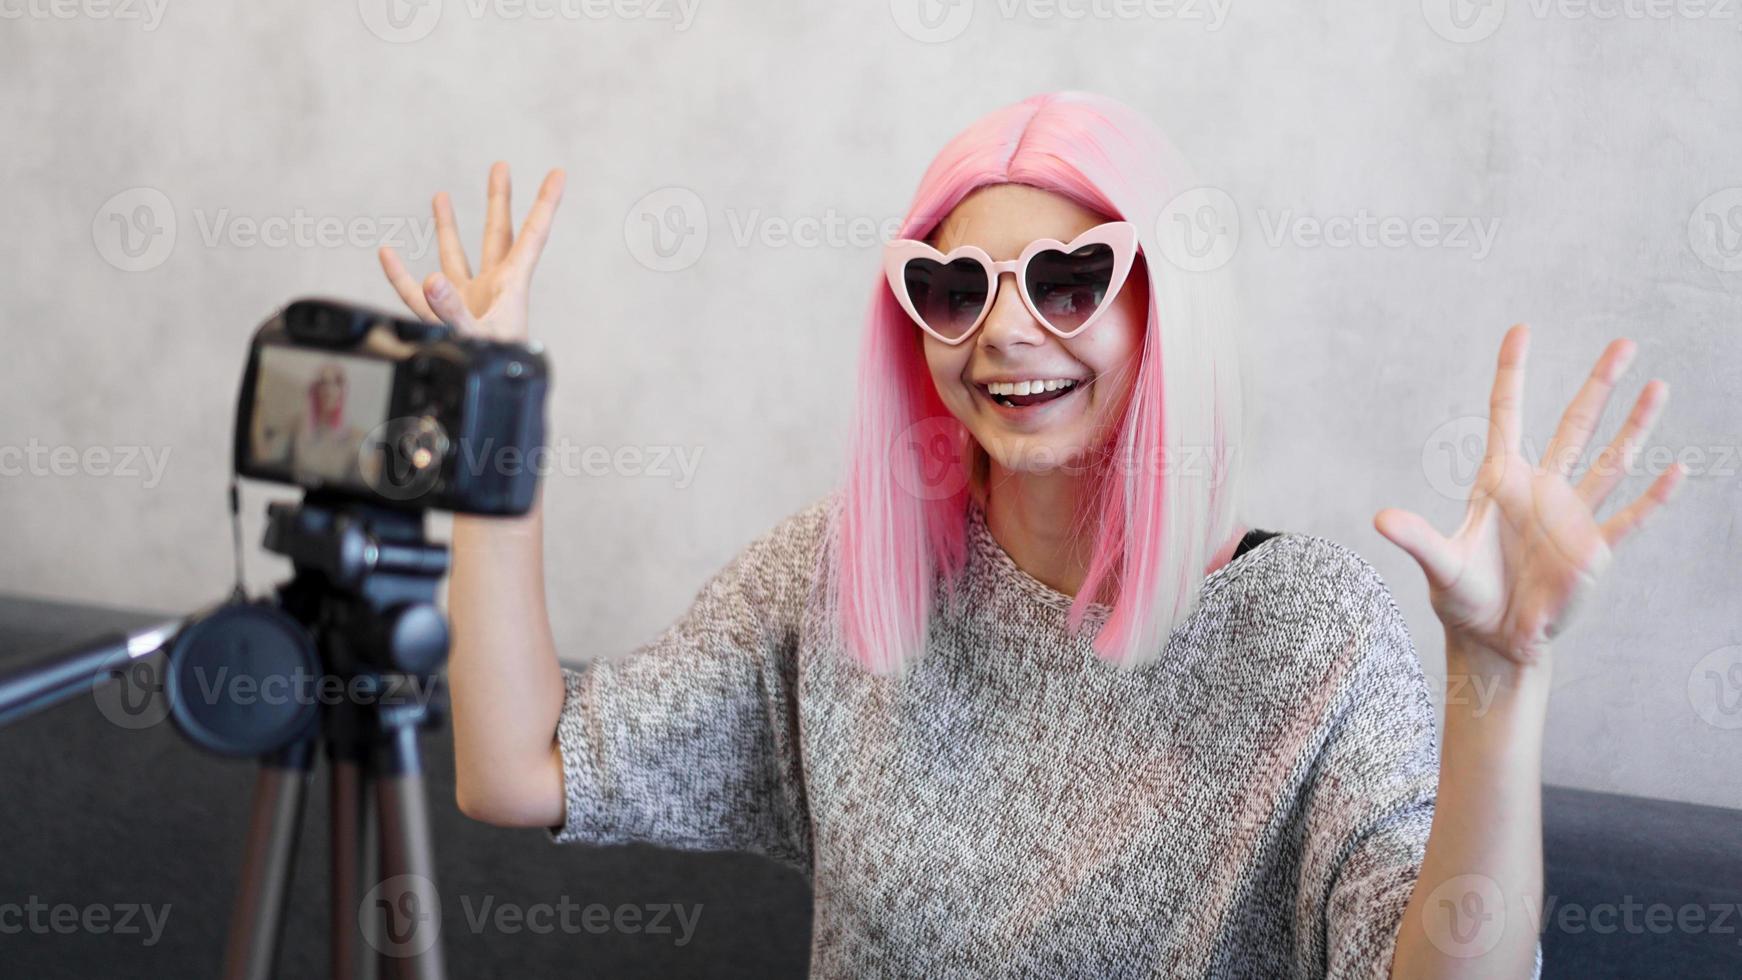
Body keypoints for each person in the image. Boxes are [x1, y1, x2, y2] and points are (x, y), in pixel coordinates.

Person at [374, 91, 1687, 979]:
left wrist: (1498, 679)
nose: (1005, 330)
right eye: (953, 289)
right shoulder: (847, 581)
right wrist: (493, 427)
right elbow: (515, 771)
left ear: (1161, 313)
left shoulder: (1310, 634)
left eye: (1070, 282)